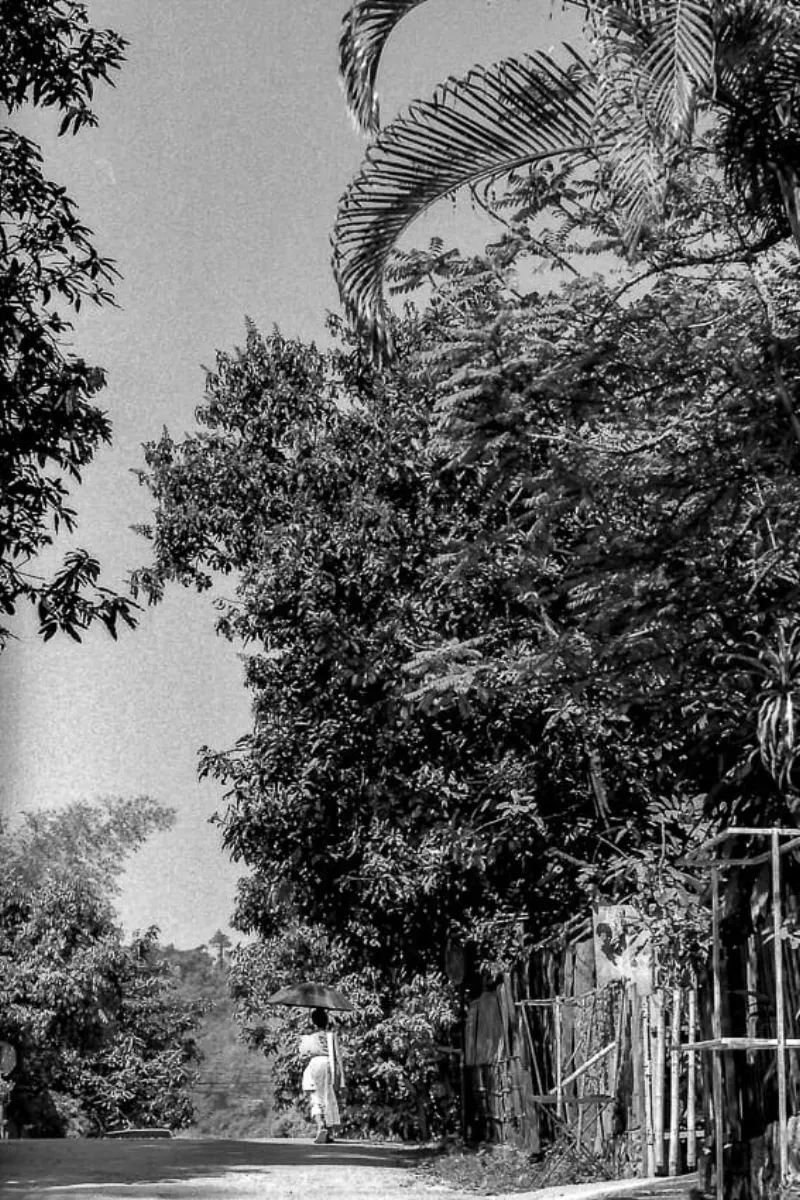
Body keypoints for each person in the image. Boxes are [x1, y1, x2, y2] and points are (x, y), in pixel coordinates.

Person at [298, 1007, 345, 1143]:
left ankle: (320, 1125)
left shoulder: (309, 1038)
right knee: (327, 1096)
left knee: (315, 1097)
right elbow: (337, 1056)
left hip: (313, 1065)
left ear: (313, 1022)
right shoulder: (331, 1036)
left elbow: (303, 1056)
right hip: (327, 1065)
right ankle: (328, 1130)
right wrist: (341, 1077)